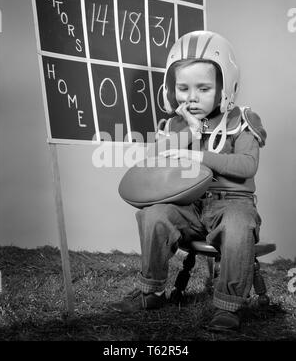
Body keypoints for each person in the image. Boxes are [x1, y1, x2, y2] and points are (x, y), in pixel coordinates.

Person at [109, 30, 267, 332]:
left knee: (237, 226)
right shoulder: (176, 125)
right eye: (183, 88)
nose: (191, 97)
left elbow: (247, 166)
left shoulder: (242, 120)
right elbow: (155, 161)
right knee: (154, 214)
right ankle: (150, 291)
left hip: (231, 204)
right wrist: (191, 134)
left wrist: (199, 156)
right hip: (189, 206)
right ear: (172, 90)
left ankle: (228, 306)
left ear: (224, 87)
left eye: (203, 88)